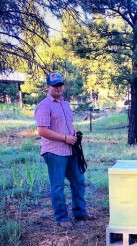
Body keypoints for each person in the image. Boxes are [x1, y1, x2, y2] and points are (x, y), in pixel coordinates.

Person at [35, 72, 94, 230]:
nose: (58, 88)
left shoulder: (65, 104)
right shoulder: (44, 106)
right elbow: (42, 131)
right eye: (54, 85)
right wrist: (65, 138)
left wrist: (74, 135)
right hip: (54, 151)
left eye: (60, 85)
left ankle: (80, 213)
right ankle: (61, 217)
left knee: (78, 181)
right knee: (58, 186)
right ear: (48, 87)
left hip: (70, 150)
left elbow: (69, 123)